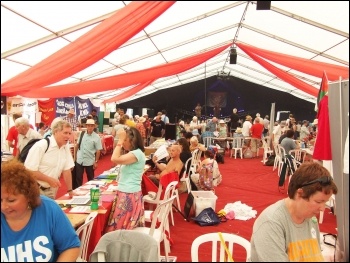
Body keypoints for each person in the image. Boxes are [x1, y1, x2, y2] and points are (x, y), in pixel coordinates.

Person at [250, 162, 338, 262]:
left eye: (325, 202)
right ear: (300, 194)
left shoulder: (310, 218)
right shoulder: (271, 223)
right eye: (319, 202)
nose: (322, 209)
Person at [1, 159, 80, 262]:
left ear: (28, 195)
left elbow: (71, 247)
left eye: (11, 200)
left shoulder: (48, 209)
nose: (3, 206)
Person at [24, 118, 75, 199]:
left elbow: (67, 170)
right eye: (65, 133)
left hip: (52, 190)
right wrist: (49, 180)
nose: (68, 136)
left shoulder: (65, 148)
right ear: (55, 132)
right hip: (36, 189)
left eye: (69, 133)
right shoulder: (41, 146)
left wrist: (70, 190)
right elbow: (30, 171)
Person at [106, 127, 145, 231]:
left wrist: (119, 140)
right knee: (122, 226)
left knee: (120, 227)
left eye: (125, 140)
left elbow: (114, 158)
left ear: (132, 141)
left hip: (129, 194)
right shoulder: (135, 153)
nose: (123, 143)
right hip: (128, 192)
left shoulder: (136, 153)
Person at [74, 119, 103, 189]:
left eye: (92, 126)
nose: (90, 127)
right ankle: (78, 192)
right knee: (78, 178)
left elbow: (98, 150)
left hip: (90, 161)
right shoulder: (82, 134)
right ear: (86, 126)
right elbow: (77, 145)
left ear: (94, 127)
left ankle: (90, 192)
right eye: (88, 126)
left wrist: (96, 161)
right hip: (80, 160)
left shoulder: (96, 137)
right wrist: (74, 158)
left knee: (90, 179)